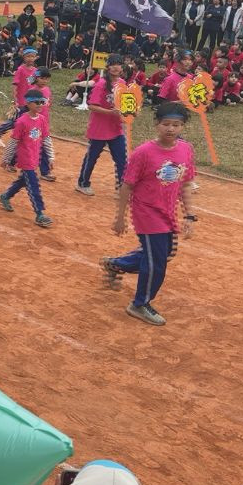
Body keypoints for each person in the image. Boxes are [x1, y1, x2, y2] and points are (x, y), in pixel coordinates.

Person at [102, 101, 197, 327]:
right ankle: (140, 303)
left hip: (168, 211)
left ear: (183, 127)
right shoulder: (143, 152)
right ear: (156, 124)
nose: (171, 129)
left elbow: (185, 184)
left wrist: (190, 215)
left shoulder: (185, 149)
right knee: (157, 263)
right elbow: (126, 186)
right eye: (166, 124)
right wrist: (120, 217)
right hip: (146, 212)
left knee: (165, 254)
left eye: (176, 125)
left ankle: (117, 264)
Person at [0, 88, 53, 228]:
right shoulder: (22, 121)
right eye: (36, 102)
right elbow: (13, 142)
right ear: (28, 104)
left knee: (24, 180)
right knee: (33, 184)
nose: (40, 105)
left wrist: (51, 157)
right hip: (25, 158)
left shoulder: (42, 119)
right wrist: (6, 159)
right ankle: (39, 214)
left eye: (42, 102)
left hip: (35, 157)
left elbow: (46, 139)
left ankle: (6, 196)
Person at [76, 56, 128, 195]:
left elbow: (125, 103)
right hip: (99, 129)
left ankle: (122, 187)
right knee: (92, 157)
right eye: (113, 64)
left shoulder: (122, 83)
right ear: (108, 67)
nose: (116, 67)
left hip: (116, 128)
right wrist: (111, 112)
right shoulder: (101, 84)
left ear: (122, 67)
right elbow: (92, 106)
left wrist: (128, 112)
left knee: (122, 159)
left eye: (119, 64)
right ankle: (82, 183)